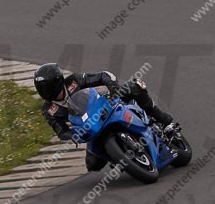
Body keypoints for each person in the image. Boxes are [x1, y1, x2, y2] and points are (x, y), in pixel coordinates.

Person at [33, 63, 174, 172]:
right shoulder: (48, 110)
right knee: (92, 165)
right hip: (90, 127)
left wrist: (114, 89)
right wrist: (74, 135)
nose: (45, 91)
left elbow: (103, 76)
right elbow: (61, 131)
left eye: (47, 86)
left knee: (135, 86)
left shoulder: (74, 81)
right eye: (41, 88)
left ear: (58, 81)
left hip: (105, 106)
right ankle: (121, 158)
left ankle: (159, 116)